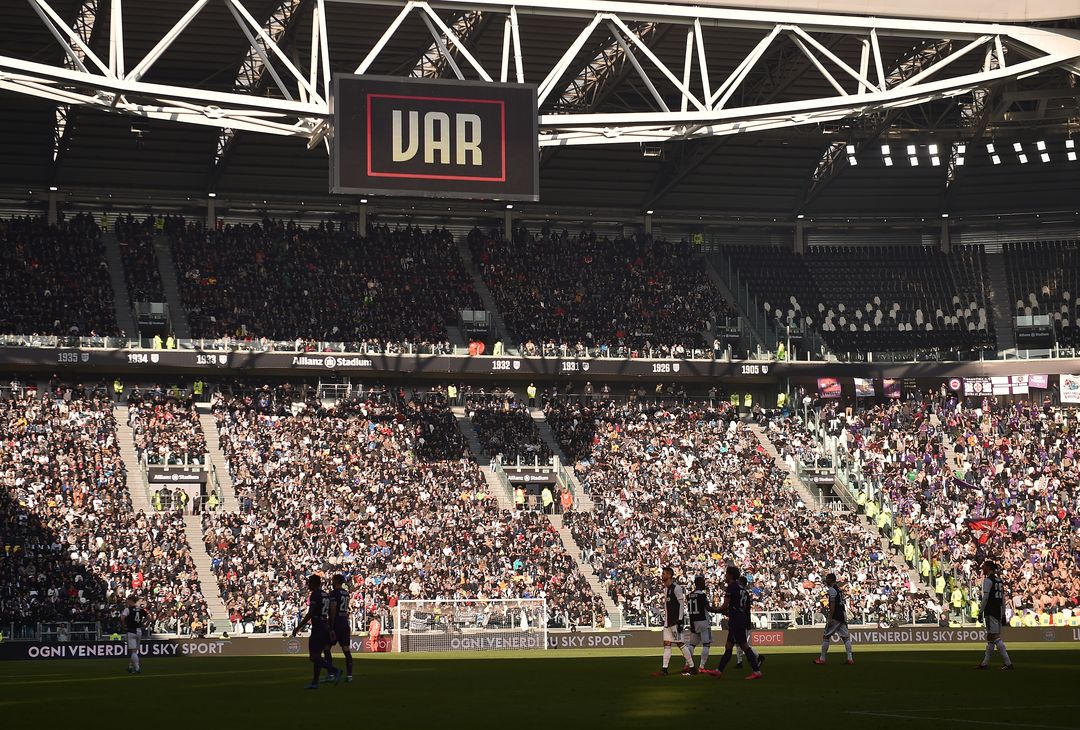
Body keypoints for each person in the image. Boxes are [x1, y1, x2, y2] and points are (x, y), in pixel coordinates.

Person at [291, 575, 342, 689]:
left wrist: (298, 627)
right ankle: (315, 683)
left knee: (313, 656)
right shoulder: (326, 595)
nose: (308, 585)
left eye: (309, 583)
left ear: (314, 583)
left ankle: (334, 670)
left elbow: (311, 613)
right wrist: (331, 627)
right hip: (325, 626)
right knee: (318, 656)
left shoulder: (315, 594)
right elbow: (332, 611)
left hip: (318, 627)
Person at [714, 566, 763, 680]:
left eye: (726, 574)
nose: (725, 576)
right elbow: (740, 606)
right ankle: (719, 670)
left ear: (730, 575)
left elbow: (725, 605)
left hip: (736, 620)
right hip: (739, 618)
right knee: (729, 646)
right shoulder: (743, 589)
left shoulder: (731, 587)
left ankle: (756, 671)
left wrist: (714, 610)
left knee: (744, 646)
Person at [653, 566, 695, 676]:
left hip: (675, 622)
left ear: (670, 575)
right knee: (667, 644)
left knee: (680, 644)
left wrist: (680, 620)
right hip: (667, 622)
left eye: (664, 574)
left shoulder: (676, 588)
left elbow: (681, 604)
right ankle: (664, 669)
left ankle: (692, 667)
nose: (662, 575)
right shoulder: (666, 589)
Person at [977, 561, 1013, 670]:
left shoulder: (988, 580)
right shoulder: (999, 580)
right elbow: (1002, 598)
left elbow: (986, 598)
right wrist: (1003, 614)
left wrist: (980, 612)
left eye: (984, 567)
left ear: (988, 567)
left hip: (990, 610)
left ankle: (1008, 663)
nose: (982, 568)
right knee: (990, 637)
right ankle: (985, 663)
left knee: (995, 636)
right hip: (998, 610)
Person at [815, 573, 854, 665]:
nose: (826, 581)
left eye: (827, 579)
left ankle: (822, 658)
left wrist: (830, 617)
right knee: (845, 638)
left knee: (826, 636)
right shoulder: (839, 590)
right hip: (841, 616)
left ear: (831, 580)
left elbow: (833, 605)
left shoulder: (832, 590)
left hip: (836, 616)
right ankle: (850, 658)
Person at [685, 575, 721, 673]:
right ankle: (701, 666)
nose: (704, 584)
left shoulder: (689, 595)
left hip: (693, 621)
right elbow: (708, 608)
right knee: (706, 644)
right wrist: (720, 610)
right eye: (703, 582)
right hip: (703, 621)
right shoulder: (702, 595)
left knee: (692, 645)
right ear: (699, 584)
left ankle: (687, 664)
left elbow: (689, 598)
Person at [325, 574, 355, 682]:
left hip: (336, 622)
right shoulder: (346, 593)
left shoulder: (334, 593)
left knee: (326, 647)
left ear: (336, 581)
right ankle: (349, 675)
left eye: (333, 581)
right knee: (346, 649)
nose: (331, 583)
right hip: (344, 622)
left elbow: (333, 608)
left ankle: (331, 674)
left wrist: (331, 626)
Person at [120, 595, 147, 675]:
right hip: (139, 631)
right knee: (134, 651)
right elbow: (149, 617)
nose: (127, 602)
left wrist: (124, 625)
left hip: (131, 631)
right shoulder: (141, 609)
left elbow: (122, 618)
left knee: (133, 651)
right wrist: (145, 625)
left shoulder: (127, 609)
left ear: (130, 600)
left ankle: (137, 668)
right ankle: (130, 667)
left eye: (128, 600)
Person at [735, 574, 753, 668]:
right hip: (744, 620)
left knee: (742, 643)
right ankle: (739, 662)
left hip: (742, 620)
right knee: (739, 643)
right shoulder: (746, 593)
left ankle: (757, 656)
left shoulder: (739, 592)